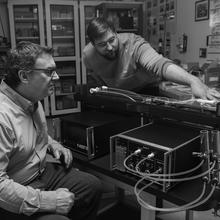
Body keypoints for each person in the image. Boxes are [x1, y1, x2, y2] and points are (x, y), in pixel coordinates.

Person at [0, 41, 102, 220]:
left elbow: (26, 134)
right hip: (13, 189)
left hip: (39, 171)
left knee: (91, 186)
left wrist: (53, 143)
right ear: (24, 76)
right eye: (48, 72)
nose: (56, 77)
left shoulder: (30, 97)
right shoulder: (2, 116)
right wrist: (48, 201)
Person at [83, 17, 220, 100]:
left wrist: (193, 81)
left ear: (116, 34)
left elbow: (159, 64)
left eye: (112, 40)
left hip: (148, 90)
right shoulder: (88, 55)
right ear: (93, 45)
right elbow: (96, 80)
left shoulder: (134, 43)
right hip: (119, 95)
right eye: (102, 45)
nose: (110, 47)